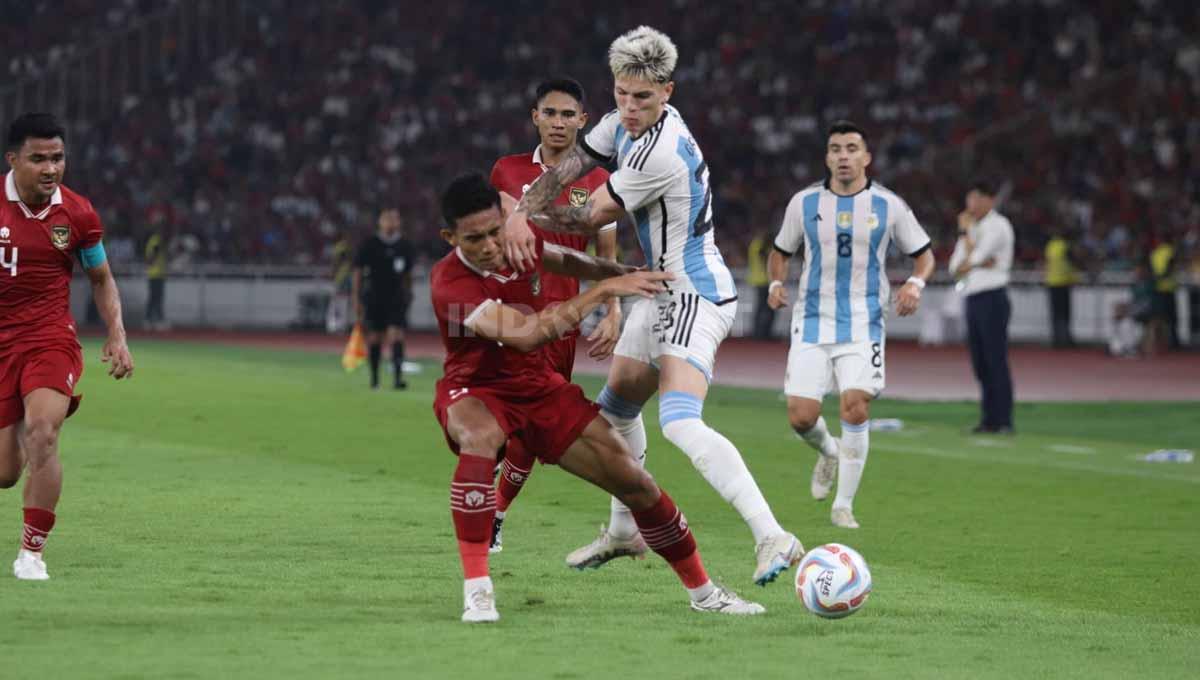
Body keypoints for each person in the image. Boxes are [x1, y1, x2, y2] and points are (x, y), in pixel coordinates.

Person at [502, 26, 803, 586]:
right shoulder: (623, 123)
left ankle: (773, 535)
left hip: (692, 291)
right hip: (655, 286)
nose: (629, 107)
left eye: (642, 97)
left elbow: (587, 217)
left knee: (680, 421)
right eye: (621, 94)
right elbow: (566, 169)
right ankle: (624, 532)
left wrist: (524, 216)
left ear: (668, 91)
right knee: (615, 413)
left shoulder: (661, 151)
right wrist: (522, 209)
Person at [432, 173, 763, 622]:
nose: (491, 246)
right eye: (475, 239)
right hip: (475, 388)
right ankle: (478, 591)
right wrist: (604, 292)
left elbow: (564, 259)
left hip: (537, 386)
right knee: (479, 436)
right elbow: (526, 334)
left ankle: (705, 594)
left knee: (635, 482)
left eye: (495, 231)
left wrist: (622, 274)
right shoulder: (449, 282)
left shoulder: (515, 242)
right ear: (450, 238)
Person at [766, 121, 935, 530]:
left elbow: (924, 254)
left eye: (852, 149)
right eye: (836, 149)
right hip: (812, 319)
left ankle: (843, 505)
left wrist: (915, 283)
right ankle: (829, 451)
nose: (844, 156)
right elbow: (780, 251)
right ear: (827, 158)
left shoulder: (889, 206)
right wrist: (775, 283)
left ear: (866, 157)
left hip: (864, 321)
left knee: (855, 404)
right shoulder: (804, 203)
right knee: (801, 417)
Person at [486, 77, 620, 554]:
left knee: (529, 429)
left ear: (583, 121)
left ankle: (495, 513)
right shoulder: (506, 171)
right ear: (535, 117)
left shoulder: (598, 182)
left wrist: (613, 309)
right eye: (550, 113)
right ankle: (491, 497)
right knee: (511, 418)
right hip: (509, 313)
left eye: (568, 115)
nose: (558, 123)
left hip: (561, 322)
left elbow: (606, 253)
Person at [0, 112, 135, 580]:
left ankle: (31, 554)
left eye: (57, 158)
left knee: (44, 432)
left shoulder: (78, 213)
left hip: (49, 339)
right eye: (38, 159)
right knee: (5, 472)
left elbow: (100, 277)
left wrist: (117, 333)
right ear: (13, 159)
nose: (50, 168)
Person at [949, 177, 1015, 434]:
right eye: (969, 199)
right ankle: (989, 418)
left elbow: (973, 258)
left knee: (995, 359)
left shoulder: (998, 226)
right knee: (980, 362)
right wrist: (973, 259)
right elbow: (955, 267)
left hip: (993, 296)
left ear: (990, 200)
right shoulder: (972, 228)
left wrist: (969, 247)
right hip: (973, 297)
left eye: (976, 198)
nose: (971, 204)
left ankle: (1003, 420)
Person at [352, 209, 415, 389]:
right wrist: (356, 297)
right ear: (380, 221)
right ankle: (375, 379)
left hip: (396, 297)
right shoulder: (370, 244)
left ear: (399, 222)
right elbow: (357, 271)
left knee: (397, 335)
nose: (391, 222)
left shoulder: (405, 246)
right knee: (375, 337)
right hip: (374, 297)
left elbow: (408, 274)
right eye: (387, 218)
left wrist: (409, 294)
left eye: (394, 219)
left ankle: (397, 379)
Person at [1043, 224, 1081, 348]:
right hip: (1064, 282)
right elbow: (1073, 262)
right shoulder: (1065, 246)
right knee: (1065, 313)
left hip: (1051, 282)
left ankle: (1056, 339)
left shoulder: (1050, 246)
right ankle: (1066, 339)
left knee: (1055, 313)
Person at [1149, 235, 1179, 350]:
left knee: (1161, 317)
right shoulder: (1169, 250)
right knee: (1171, 318)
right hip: (1168, 288)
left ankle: (1163, 342)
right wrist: (1163, 275)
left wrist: (1158, 277)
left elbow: (1152, 270)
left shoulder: (1155, 253)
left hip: (1158, 288)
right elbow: (1171, 265)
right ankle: (1172, 342)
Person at [748, 229, 775, 340]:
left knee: (760, 308)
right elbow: (764, 261)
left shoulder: (754, 244)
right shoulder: (763, 245)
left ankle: (758, 332)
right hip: (765, 280)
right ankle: (765, 333)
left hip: (757, 279)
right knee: (769, 308)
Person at [326, 232, 354, 334]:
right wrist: (333, 273)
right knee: (341, 302)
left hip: (343, 277)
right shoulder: (343, 247)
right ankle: (338, 324)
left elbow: (336, 262)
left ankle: (337, 324)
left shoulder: (343, 247)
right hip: (343, 277)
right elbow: (336, 262)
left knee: (340, 301)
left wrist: (332, 273)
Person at [143, 224, 168, 330]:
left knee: (154, 298)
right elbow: (152, 256)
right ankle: (156, 320)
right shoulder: (157, 240)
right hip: (156, 274)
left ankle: (149, 320)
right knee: (156, 298)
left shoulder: (153, 240)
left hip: (155, 274)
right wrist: (152, 261)